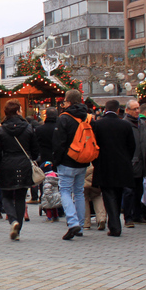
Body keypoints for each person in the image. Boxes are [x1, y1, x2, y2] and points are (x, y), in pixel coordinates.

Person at [0, 100, 39, 242]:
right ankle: (18, 228)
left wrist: (2, 163)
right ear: (18, 111)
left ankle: (13, 221)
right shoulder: (28, 128)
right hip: (24, 164)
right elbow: (35, 150)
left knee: (6, 195)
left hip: (7, 163)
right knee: (20, 197)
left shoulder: (1, 129)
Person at [91, 99, 135, 237]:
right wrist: (126, 159)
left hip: (104, 165)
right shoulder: (125, 125)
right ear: (118, 110)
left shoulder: (97, 125)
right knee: (118, 193)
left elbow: (94, 145)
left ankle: (115, 225)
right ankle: (115, 222)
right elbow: (132, 146)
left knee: (108, 194)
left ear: (105, 109)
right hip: (122, 165)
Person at [53, 89, 92, 241]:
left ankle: (72, 222)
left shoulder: (64, 118)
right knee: (79, 192)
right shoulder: (87, 117)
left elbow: (59, 143)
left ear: (68, 101)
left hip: (67, 161)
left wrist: (56, 161)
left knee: (65, 191)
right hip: (83, 159)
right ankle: (81, 226)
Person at [122, 100, 146, 228]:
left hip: (142, 162)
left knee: (139, 190)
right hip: (130, 162)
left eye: (138, 108)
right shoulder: (124, 124)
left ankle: (138, 215)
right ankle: (128, 217)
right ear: (127, 110)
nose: (137, 111)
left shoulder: (142, 124)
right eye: (134, 109)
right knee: (129, 192)